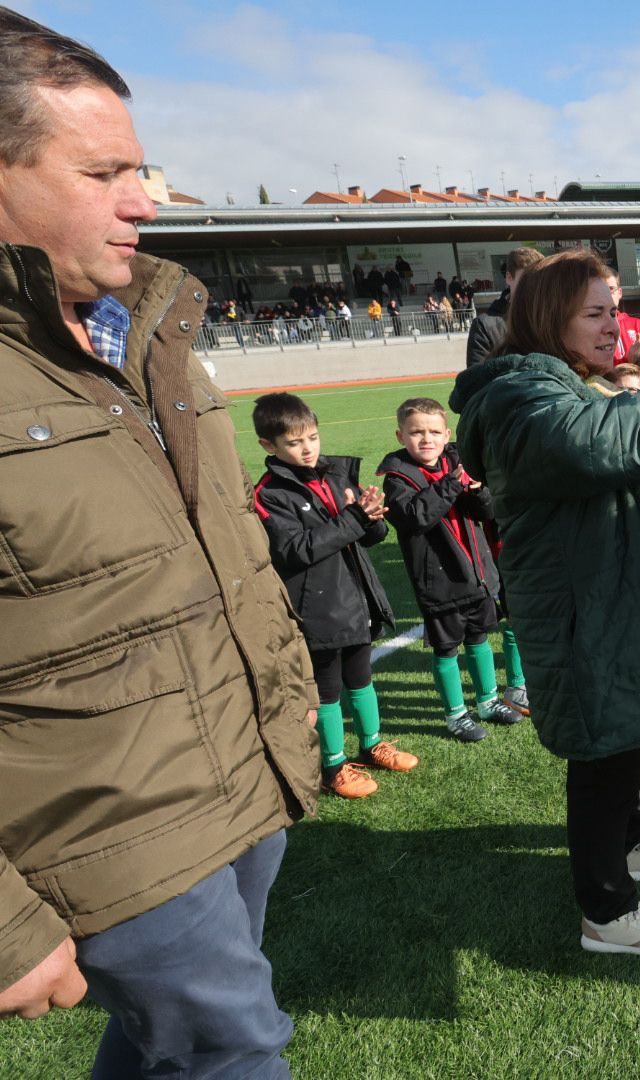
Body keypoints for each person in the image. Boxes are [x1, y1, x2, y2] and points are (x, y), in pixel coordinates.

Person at [0, 12, 319, 1072]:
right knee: (239, 1052)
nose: (146, 200)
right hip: (104, 829)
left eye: (141, 169)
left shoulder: (146, 332)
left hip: (241, 773)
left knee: (165, 1053)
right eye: (104, 172)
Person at [448, 248, 640, 957]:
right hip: (581, 615)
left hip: (603, 601)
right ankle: (605, 913)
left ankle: (633, 846)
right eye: (595, 313)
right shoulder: (520, 396)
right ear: (551, 319)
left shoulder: (562, 383)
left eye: (616, 309)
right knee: (603, 759)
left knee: (625, 737)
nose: (617, 325)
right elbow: (587, 445)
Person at [251, 393, 415, 798]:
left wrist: (372, 517)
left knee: (361, 678)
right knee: (327, 690)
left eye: (312, 437)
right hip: (317, 608)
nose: (307, 449)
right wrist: (354, 518)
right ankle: (333, 765)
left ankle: (373, 742)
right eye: (294, 442)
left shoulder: (335, 475)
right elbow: (295, 551)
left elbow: (368, 536)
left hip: (355, 598)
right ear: (268, 446)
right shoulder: (270, 494)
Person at [378, 399, 523, 743]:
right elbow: (415, 516)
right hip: (439, 584)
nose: (426, 439)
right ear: (401, 435)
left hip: (477, 575)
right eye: (416, 432)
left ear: (446, 435)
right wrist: (452, 484)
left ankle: (488, 701)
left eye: (433, 432)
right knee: (446, 649)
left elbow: (487, 512)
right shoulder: (397, 478)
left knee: (479, 639)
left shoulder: (456, 463)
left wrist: (478, 490)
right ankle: (456, 714)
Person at [467, 247, 545, 367]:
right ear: (509, 277)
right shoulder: (484, 326)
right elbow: (475, 382)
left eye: (539, 280)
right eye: (527, 278)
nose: (534, 286)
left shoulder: (549, 320)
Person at [606, 270, 640, 364]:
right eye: (602, 290)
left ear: (619, 293)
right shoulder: (589, 327)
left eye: (611, 289)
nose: (607, 294)